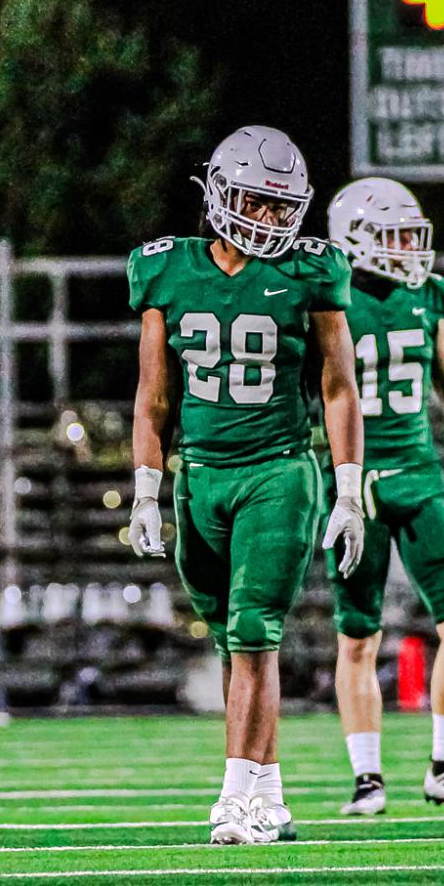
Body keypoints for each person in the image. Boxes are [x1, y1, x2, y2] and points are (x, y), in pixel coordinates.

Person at [128, 125, 366, 846]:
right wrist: (145, 485)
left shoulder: (311, 272)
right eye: (256, 203)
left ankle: (234, 797)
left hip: (277, 471)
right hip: (197, 474)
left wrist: (347, 488)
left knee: (254, 632)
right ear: (220, 195)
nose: (269, 220)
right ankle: (270, 795)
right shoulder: (167, 269)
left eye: (279, 207)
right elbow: (152, 397)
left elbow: (338, 387)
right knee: (231, 643)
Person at [322, 177, 444, 817]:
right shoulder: (326, 297)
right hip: (356, 481)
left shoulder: (428, 296)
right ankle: (367, 778)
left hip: (420, 473)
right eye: (394, 237)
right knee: (359, 637)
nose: (409, 249)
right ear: (356, 240)